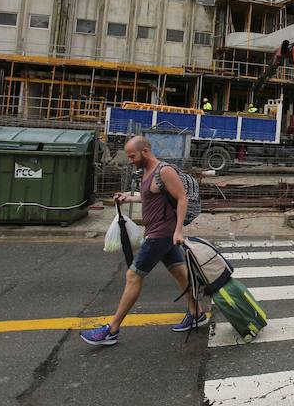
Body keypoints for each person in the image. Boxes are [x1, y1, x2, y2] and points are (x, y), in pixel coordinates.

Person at [80, 136, 206, 346]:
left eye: (132, 156)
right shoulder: (147, 173)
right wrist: (130, 198)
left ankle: (112, 330)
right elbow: (151, 195)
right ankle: (197, 313)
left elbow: (182, 198)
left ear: (145, 151)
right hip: (158, 233)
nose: (130, 160)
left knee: (133, 275)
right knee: (179, 272)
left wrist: (178, 231)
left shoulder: (164, 171)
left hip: (161, 234)